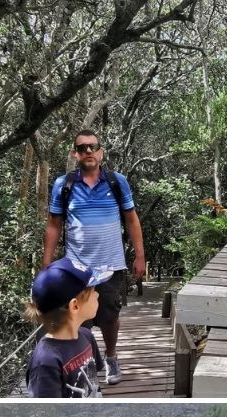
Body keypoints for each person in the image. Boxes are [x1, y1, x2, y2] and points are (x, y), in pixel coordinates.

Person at [42, 129, 147, 386]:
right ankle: (86, 363)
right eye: (82, 148)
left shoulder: (116, 181)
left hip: (111, 264)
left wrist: (140, 256)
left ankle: (111, 358)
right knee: (79, 320)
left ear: (100, 152)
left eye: (93, 147)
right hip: (76, 268)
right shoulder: (64, 185)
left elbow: (131, 219)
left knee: (110, 315)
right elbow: (54, 224)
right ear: (74, 153)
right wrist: (47, 263)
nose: (88, 151)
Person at [25, 257, 110, 398]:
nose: (98, 294)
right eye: (93, 290)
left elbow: (93, 386)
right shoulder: (46, 362)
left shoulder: (86, 336)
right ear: (75, 305)